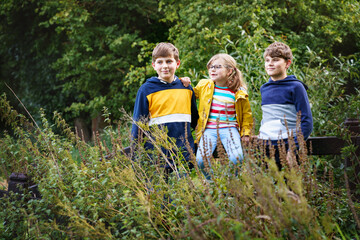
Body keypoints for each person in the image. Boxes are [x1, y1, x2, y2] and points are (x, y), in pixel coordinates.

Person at [131, 42, 198, 175]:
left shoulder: (186, 88)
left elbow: (195, 119)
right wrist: (135, 153)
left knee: (185, 192)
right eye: (160, 62)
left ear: (177, 63)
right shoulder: (146, 90)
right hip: (157, 155)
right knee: (162, 194)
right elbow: (139, 123)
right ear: (154, 65)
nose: (165, 66)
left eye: (169, 61)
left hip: (184, 153)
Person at [182, 53, 253, 176]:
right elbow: (190, 94)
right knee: (200, 160)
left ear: (229, 71)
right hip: (209, 129)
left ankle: (231, 181)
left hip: (230, 129)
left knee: (237, 157)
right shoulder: (205, 85)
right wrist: (184, 83)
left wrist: (246, 133)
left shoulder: (239, 91)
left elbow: (246, 114)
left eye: (218, 67)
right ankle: (211, 182)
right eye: (211, 67)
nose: (212, 70)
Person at [258, 41, 313, 169]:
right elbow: (268, 117)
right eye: (267, 60)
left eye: (275, 60)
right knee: (266, 187)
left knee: (291, 186)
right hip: (265, 146)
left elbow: (307, 122)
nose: (270, 63)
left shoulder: (296, 87)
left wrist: (293, 148)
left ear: (287, 63)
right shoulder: (264, 88)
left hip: (288, 145)